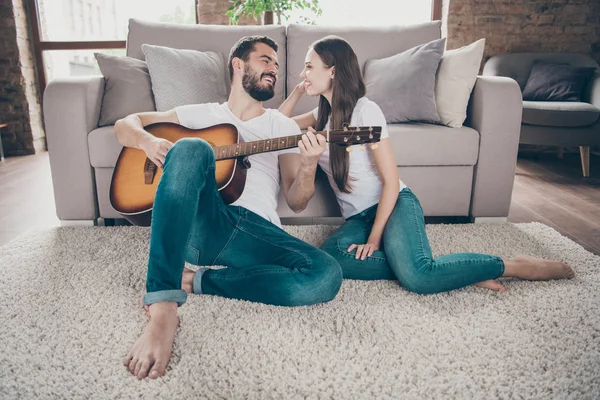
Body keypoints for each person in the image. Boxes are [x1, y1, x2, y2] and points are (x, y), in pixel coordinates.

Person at [115, 36, 343, 381]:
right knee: (192, 147)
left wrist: (310, 165)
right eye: (265, 60)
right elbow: (125, 124)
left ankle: (201, 281)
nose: (274, 70)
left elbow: (297, 202)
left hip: (253, 234)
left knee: (327, 275)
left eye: (277, 66)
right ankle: (163, 306)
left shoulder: (281, 126)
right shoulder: (201, 115)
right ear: (238, 64)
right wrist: (148, 142)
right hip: (202, 222)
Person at [278, 35, 574, 296]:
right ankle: (456, 273)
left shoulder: (366, 111)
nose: (304, 73)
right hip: (356, 217)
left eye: (308, 66)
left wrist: (374, 239)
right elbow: (275, 126)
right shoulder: (320, 116)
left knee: (418, 277)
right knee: (333, 259)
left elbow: (391, 182)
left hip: (393, 204)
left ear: (333, 71)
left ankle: (511, 265)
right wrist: (297, 93)